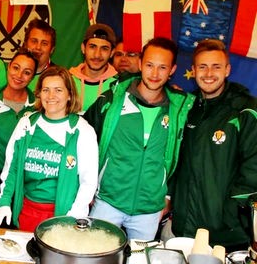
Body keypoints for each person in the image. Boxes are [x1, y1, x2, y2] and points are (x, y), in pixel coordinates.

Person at [83, 37, 195, 240]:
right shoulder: (113, 100)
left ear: (172, 70)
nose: (154, 73)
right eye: (150, 65)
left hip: (149, 210)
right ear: (141, 63)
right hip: (107, 202)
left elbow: (183, 158)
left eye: (162, 67)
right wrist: (86, 188)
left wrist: (168, 196)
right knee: (95, 258)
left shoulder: (180, 111)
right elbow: (83, 141)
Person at [166, 39, 257, 251]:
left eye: (216, 67)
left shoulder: (245, 110)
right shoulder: (186, 107)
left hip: (226, 234)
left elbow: (254, 168)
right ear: (194, 70)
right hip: (184, 227)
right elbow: (173, 158)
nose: (209, 73)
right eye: (202, 67)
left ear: (227, 70)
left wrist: (232, 211)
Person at [0, 66, 99, 232]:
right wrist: (4, 202)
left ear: (69, 94)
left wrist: (73, 217)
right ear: (39, 93)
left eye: (58, 90)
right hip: (26, 212)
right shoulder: (26, 124)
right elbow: (12, 168)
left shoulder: (82, 131)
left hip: (63, 216)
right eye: (46, 90)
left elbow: (88, 182)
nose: (51, 96)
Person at [0, 48, 38, 222]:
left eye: (27, 72)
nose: (19, 75)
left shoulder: (38, 106)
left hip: (26, 179)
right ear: (8, 68)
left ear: (32, 77)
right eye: (16, 68)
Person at [69, 23, 119, 112]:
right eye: (92, 47)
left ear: (112, 53)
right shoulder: (67, 81)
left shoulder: (118, 86)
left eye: (104, 49)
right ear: (83, 48)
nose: (97, 55)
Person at [22, 18, 58, 91]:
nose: (38, 47)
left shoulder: (59, 76)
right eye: (34, 41)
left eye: (44, 43)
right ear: (25, 44)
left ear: (52, 50)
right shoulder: (13, 75)